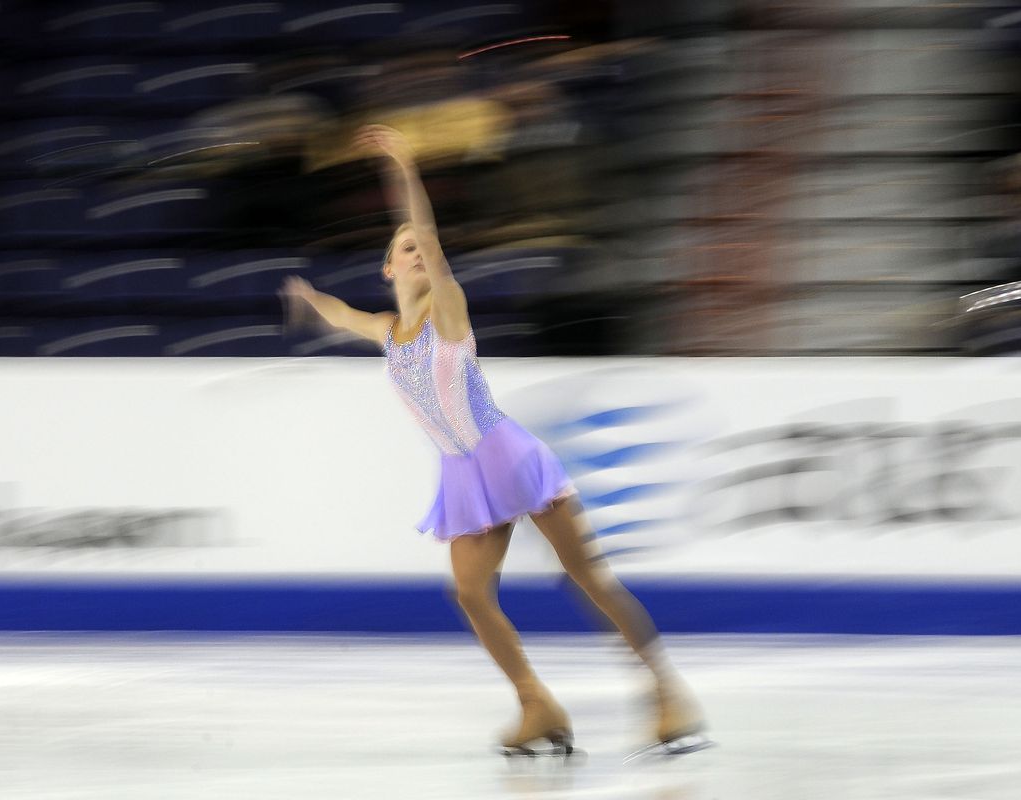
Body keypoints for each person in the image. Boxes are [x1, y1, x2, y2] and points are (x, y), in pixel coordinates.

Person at [280, 125, 705, 756]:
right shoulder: (388, 330)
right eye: (404, 249)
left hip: (507, 454)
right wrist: (311, 300)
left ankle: (667, 693)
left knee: (586, 577)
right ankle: (536, 704)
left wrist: (404, 168)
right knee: (472, 594)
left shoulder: (446, 305)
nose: (416, 252)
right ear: (388, 267)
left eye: (419, 245)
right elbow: (344, 316)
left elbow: (427, 234)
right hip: (462, 473)